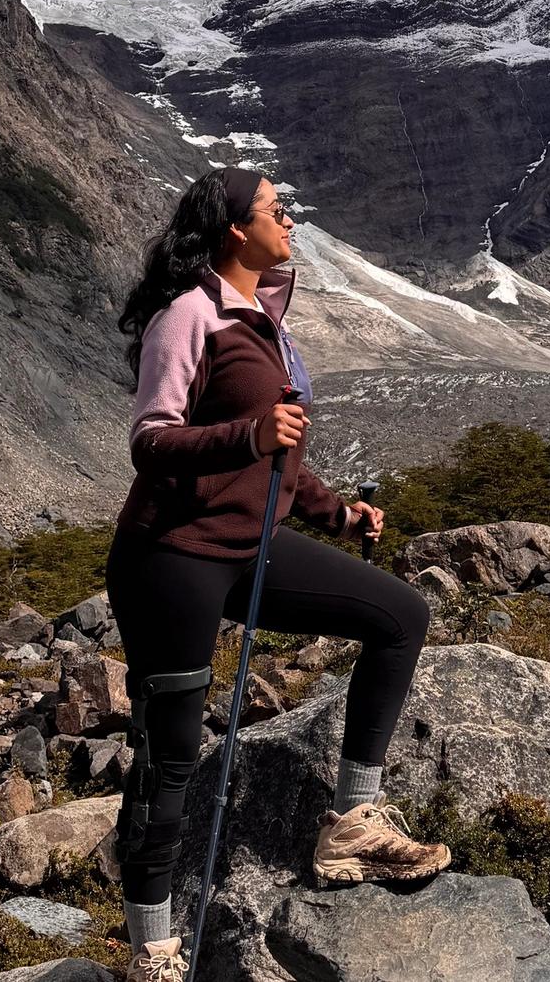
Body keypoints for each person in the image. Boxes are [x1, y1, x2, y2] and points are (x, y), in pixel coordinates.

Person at [106, 167, 450, 982]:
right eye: (275, 210)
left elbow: (279, 456)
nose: (290, 219)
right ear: (234, 229)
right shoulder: (190, 315)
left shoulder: (264, 317)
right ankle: (150, 946)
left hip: (249, 542)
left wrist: (338, 515)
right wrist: (248, 436)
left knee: (399, 617)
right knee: (173, 755)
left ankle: (353, 823)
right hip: (171, 557)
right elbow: (151, 441)